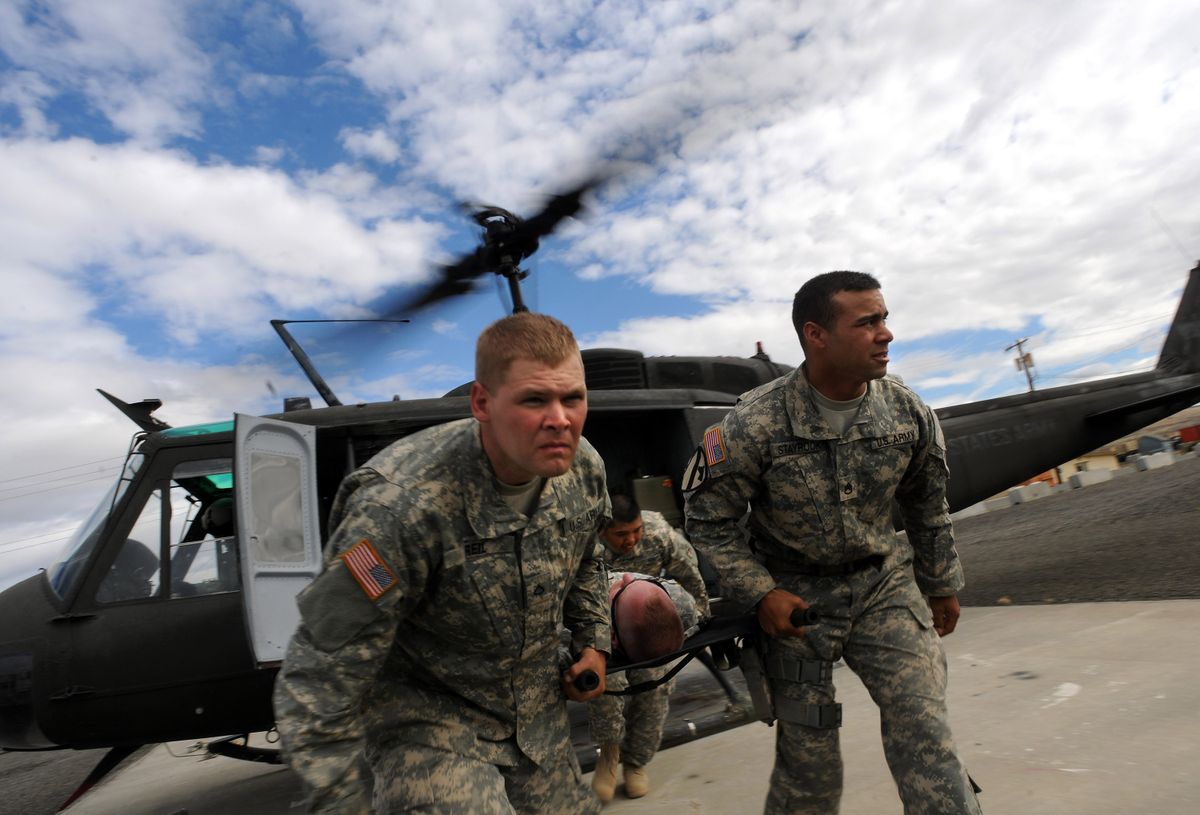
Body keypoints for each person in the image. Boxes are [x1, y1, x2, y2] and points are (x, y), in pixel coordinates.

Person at [273, 312, 611, 815]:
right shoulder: (399, 507)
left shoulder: (583, 468)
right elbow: (319, 674)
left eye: (573, 398)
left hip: (537, 721)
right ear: (482, 402)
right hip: (430, 724)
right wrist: (339, 802)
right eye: (534, 399)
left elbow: (588, 556)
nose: (560, 419)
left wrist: (594, 642)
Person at [683, 271, 982, 815]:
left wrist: (941, 585)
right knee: (809, 759)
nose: (885, 333)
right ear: (816, 335)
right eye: (867, 322)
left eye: (884, 318)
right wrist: (761, 593)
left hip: (882, 588)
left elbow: (927, 505)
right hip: (795, 605)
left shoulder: (907, 412)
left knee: (926, 732)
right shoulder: (754, 423)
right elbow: (708, 520)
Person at [589, 494, 710, 803]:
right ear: (604, 530)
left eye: (636, 531)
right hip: (602, 630)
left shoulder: (657, 532)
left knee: (656, 684)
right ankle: (609, 757)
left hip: (646, 628)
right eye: (621, 534)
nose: (631, 539)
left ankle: (636, 762)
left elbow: (689, 576)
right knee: (608, 688)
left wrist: (697, 623)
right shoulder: (586, 543)